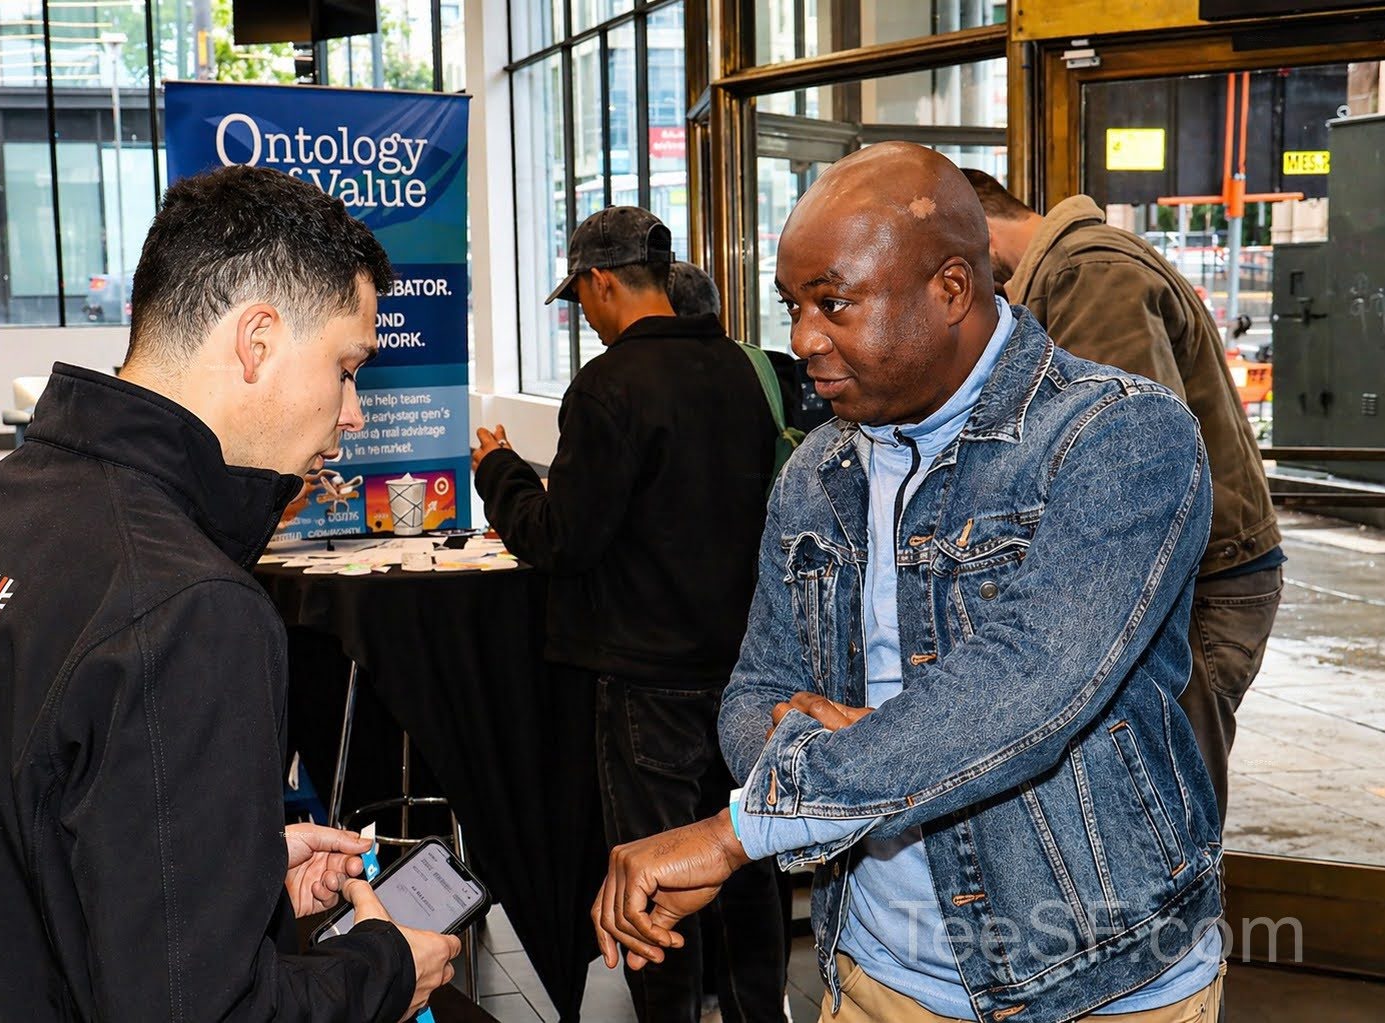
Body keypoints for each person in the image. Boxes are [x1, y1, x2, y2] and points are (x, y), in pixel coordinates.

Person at [591, 143, 1227, 1023]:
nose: (803, 338)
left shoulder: (1118, 437)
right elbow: (754, 692)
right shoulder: (817, 467)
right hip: (876, 976)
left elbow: (1022, 687)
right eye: (793, 305)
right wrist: (825, 748)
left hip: (1097, 981)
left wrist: (748, 827)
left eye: (833, 302)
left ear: (952, 288)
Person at [0, 166, 459, 1021]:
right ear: (256, 339)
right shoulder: (186, 607)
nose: (352, 412)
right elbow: (203, 1009)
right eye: (346, 366)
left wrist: (223, 872)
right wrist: (381, 970)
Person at [471, 207, 785, 1023]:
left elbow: (561, 540)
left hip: (647, 679)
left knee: (650, 881)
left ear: (600, 282)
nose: (583, 314)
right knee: (747, 858)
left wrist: (498, 470)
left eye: (579, 298)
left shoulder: (608, 385)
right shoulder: (737, 371)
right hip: (744, 675)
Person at [962, 168, 1283, 823]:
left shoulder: (1090, 276)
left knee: (1153, 821)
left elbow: (1127, 474)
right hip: (1187, 578)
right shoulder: (1068, 274)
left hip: (1194, 587)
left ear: (977, 237)